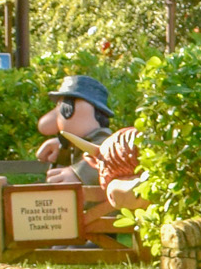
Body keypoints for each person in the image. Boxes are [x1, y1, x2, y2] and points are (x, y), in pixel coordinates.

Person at [33, 72, 144, 211]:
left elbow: (106, 161)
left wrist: (77, 173)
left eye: (61, 106)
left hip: (99, 215)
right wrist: (62, 146)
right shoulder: (76, 143)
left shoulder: (107, 142)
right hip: (74, 214)